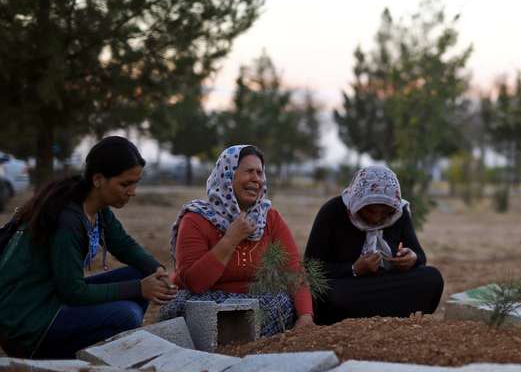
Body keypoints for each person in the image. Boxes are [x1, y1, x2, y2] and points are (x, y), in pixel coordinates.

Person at [0, 136, 176, 359]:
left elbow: (122, 244)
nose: (132, 191)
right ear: (98, 179)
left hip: (53, 299)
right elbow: (73, 292)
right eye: (125, 184)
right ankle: (61, 359)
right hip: (29, 324)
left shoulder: (94, 206)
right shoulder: (67, 221)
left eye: (135, 183)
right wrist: (138, 289)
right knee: (127, 315)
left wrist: (156, 269)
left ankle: (101, 352)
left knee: (142, 272)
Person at [160, 145, 314, 335]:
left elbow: (293, 270)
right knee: (181, 306)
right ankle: (237, 338)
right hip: (204, 300)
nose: (256, 179)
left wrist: (306, 316)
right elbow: (195, 283)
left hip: (253, 304)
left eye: (259, 173)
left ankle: (232, 339)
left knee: (282, 303)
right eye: (249, 171)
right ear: (227, 176)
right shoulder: (196, 218)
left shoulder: (269, 218)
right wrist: (230, 239)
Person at [304, 166, 444, 324]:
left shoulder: (399, 213)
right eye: (370, 211)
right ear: (358, 201)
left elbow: (420, 257)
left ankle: (366, 313)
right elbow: (311, 269)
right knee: (330, 296)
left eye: (385, 213)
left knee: (432, 278)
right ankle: (390, 311)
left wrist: (412, 258)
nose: (377, 219)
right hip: (348, 286)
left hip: (385, 283)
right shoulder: (333, 211)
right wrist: (353, 269)